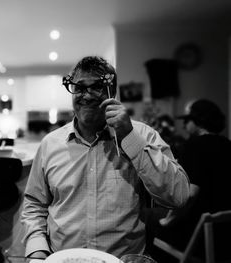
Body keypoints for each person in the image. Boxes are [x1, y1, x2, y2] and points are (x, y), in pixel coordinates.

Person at [21, 56, 190, 259]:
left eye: (98, 87)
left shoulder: (143, 135)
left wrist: (129, 138)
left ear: (112, 92)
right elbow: (34, 205)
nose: (88, 95)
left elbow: (178, 196)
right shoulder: (50, 144)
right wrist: (37, 250)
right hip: (63, 258)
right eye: (80, 87)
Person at [148, 99, 231, 262]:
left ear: (198, 121)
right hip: (225, 235)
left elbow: (190, 195)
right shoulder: (228, 145)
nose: (185, 125)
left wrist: (168, 221)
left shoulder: (195, 145)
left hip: (199, 237)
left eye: (187, 120)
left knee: (147, 216)